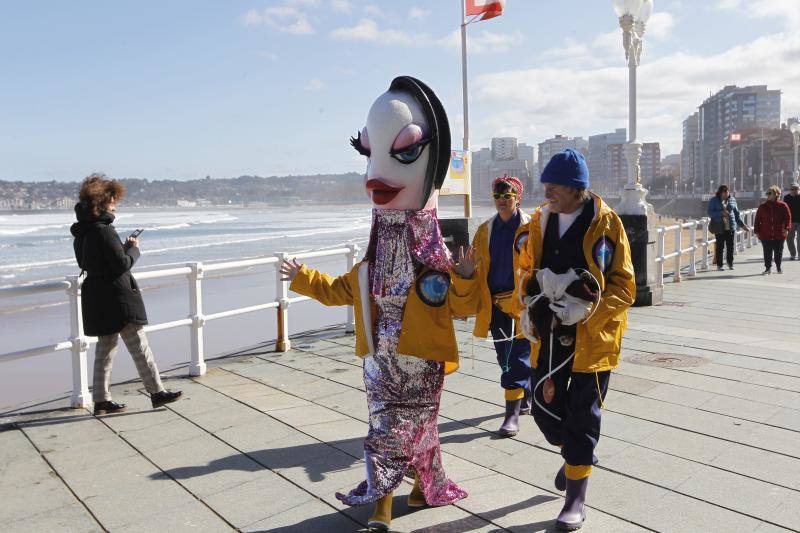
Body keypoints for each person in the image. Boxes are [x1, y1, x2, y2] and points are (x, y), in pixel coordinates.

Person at [280, 77, 478, 532]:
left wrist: (465, 280)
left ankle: (396, 498)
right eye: (368, 152)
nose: (376, 171)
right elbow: (343, 291)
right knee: (386, 428)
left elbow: (459, 308)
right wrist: (304, 278)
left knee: (419, 429)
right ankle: (392, 499)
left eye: (405, 150)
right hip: (380, 360)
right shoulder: (374, 252)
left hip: (421, 359)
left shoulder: (434, 251)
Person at [513, 149, 635, 531]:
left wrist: (587, 310)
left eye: (556, 184)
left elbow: (624, 286)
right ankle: (576, 456)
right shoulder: (538, 222)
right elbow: (526, 273)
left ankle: (575, 499)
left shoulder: (606, 224)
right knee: (544, 409)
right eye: (546, 182)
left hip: (593, 339)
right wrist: (529, 298)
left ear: (577, 187)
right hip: (549, 331)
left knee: (583, 416)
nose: (547, 189)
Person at [71, 174, 182, 415]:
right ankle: (157, 392)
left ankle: (101, 400)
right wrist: (133, 249)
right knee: (139, 345)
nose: (115, 206)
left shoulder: (82, 232)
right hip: (117, 298)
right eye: (112, 201)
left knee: (105, 349)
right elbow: (121, 264)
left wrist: (122, 249)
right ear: (101, 204)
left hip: (96, 296)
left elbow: (92, 262)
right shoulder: (104, 230)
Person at [470, 175, 531, 437]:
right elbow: (474, 268)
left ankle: (511, 415)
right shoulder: (485, 230)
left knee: (514, 356)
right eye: (497, 196)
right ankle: (525, 393)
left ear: (518, 197)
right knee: (502, 355)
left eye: (507, 196)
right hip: (493, 304)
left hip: (522, 303)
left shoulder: (532, 228)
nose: (502, 201)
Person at [707, 185, 750, 271]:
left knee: (730, 246)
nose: (726, 193)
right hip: (719, 227)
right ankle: (719, 265)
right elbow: (710, 212)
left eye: (727, 191)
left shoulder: (732, 200)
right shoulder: (714, 200)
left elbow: (737, 215)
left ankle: (730, 263)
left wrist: (743, 225)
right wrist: (721, 213)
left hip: (731, 227)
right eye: (724, 191)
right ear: (720, 192)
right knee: (720, 246)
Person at [754, 185, 792, 274]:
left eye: (769, 193)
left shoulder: (783, 206)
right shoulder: (762, 206)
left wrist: (786, 228)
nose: (767, 195)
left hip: (779, 233)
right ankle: (768, 268)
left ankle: (778, 267)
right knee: (767, 252)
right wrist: (756, 231)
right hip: (765, 234)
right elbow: (757, 219)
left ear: (776, 194)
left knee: (778, 252)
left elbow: (788, 218)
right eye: (767, 193)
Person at [783, 182, 800, 260]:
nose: (794, 190)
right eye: (792, 189)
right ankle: (793, 254)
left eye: (796, 189)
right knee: (789, 238)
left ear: (798, 189)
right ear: (789, 190)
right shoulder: (786, 198)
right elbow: (784, 210)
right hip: (790, 221)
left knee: (799, 238)